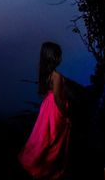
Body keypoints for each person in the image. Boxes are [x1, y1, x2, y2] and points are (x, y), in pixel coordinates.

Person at [19, 42, 72, 180]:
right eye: (58, 55)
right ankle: (50, 172)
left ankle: (41, 168)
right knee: (54, 141)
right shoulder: (56, 76)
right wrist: (65, 115)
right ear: (54, 57)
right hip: (54, 109)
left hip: (46, 108)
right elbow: (57, 98)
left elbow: (49, 95)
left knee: (44, 138)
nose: (60, 57)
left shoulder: (46, 74)